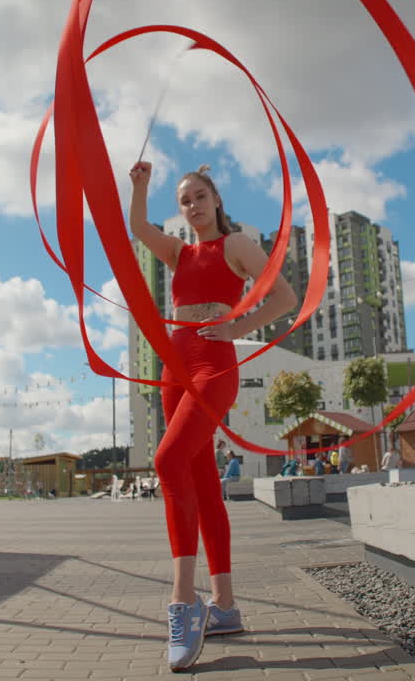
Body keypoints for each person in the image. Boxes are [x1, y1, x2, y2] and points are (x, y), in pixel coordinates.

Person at [130, 161, 298, 671]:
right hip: (173, 366)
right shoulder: (178, 251)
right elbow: (137, 228)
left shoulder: (238, 245)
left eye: (200, 196)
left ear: (216, 199)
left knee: (166, 462)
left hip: (212, 364)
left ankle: (185, 601)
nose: (193, 205)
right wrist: (139, 188)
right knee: (201, 484)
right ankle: (224, 606)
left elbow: (285, 297)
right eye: (184, 200)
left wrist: (238, 325)